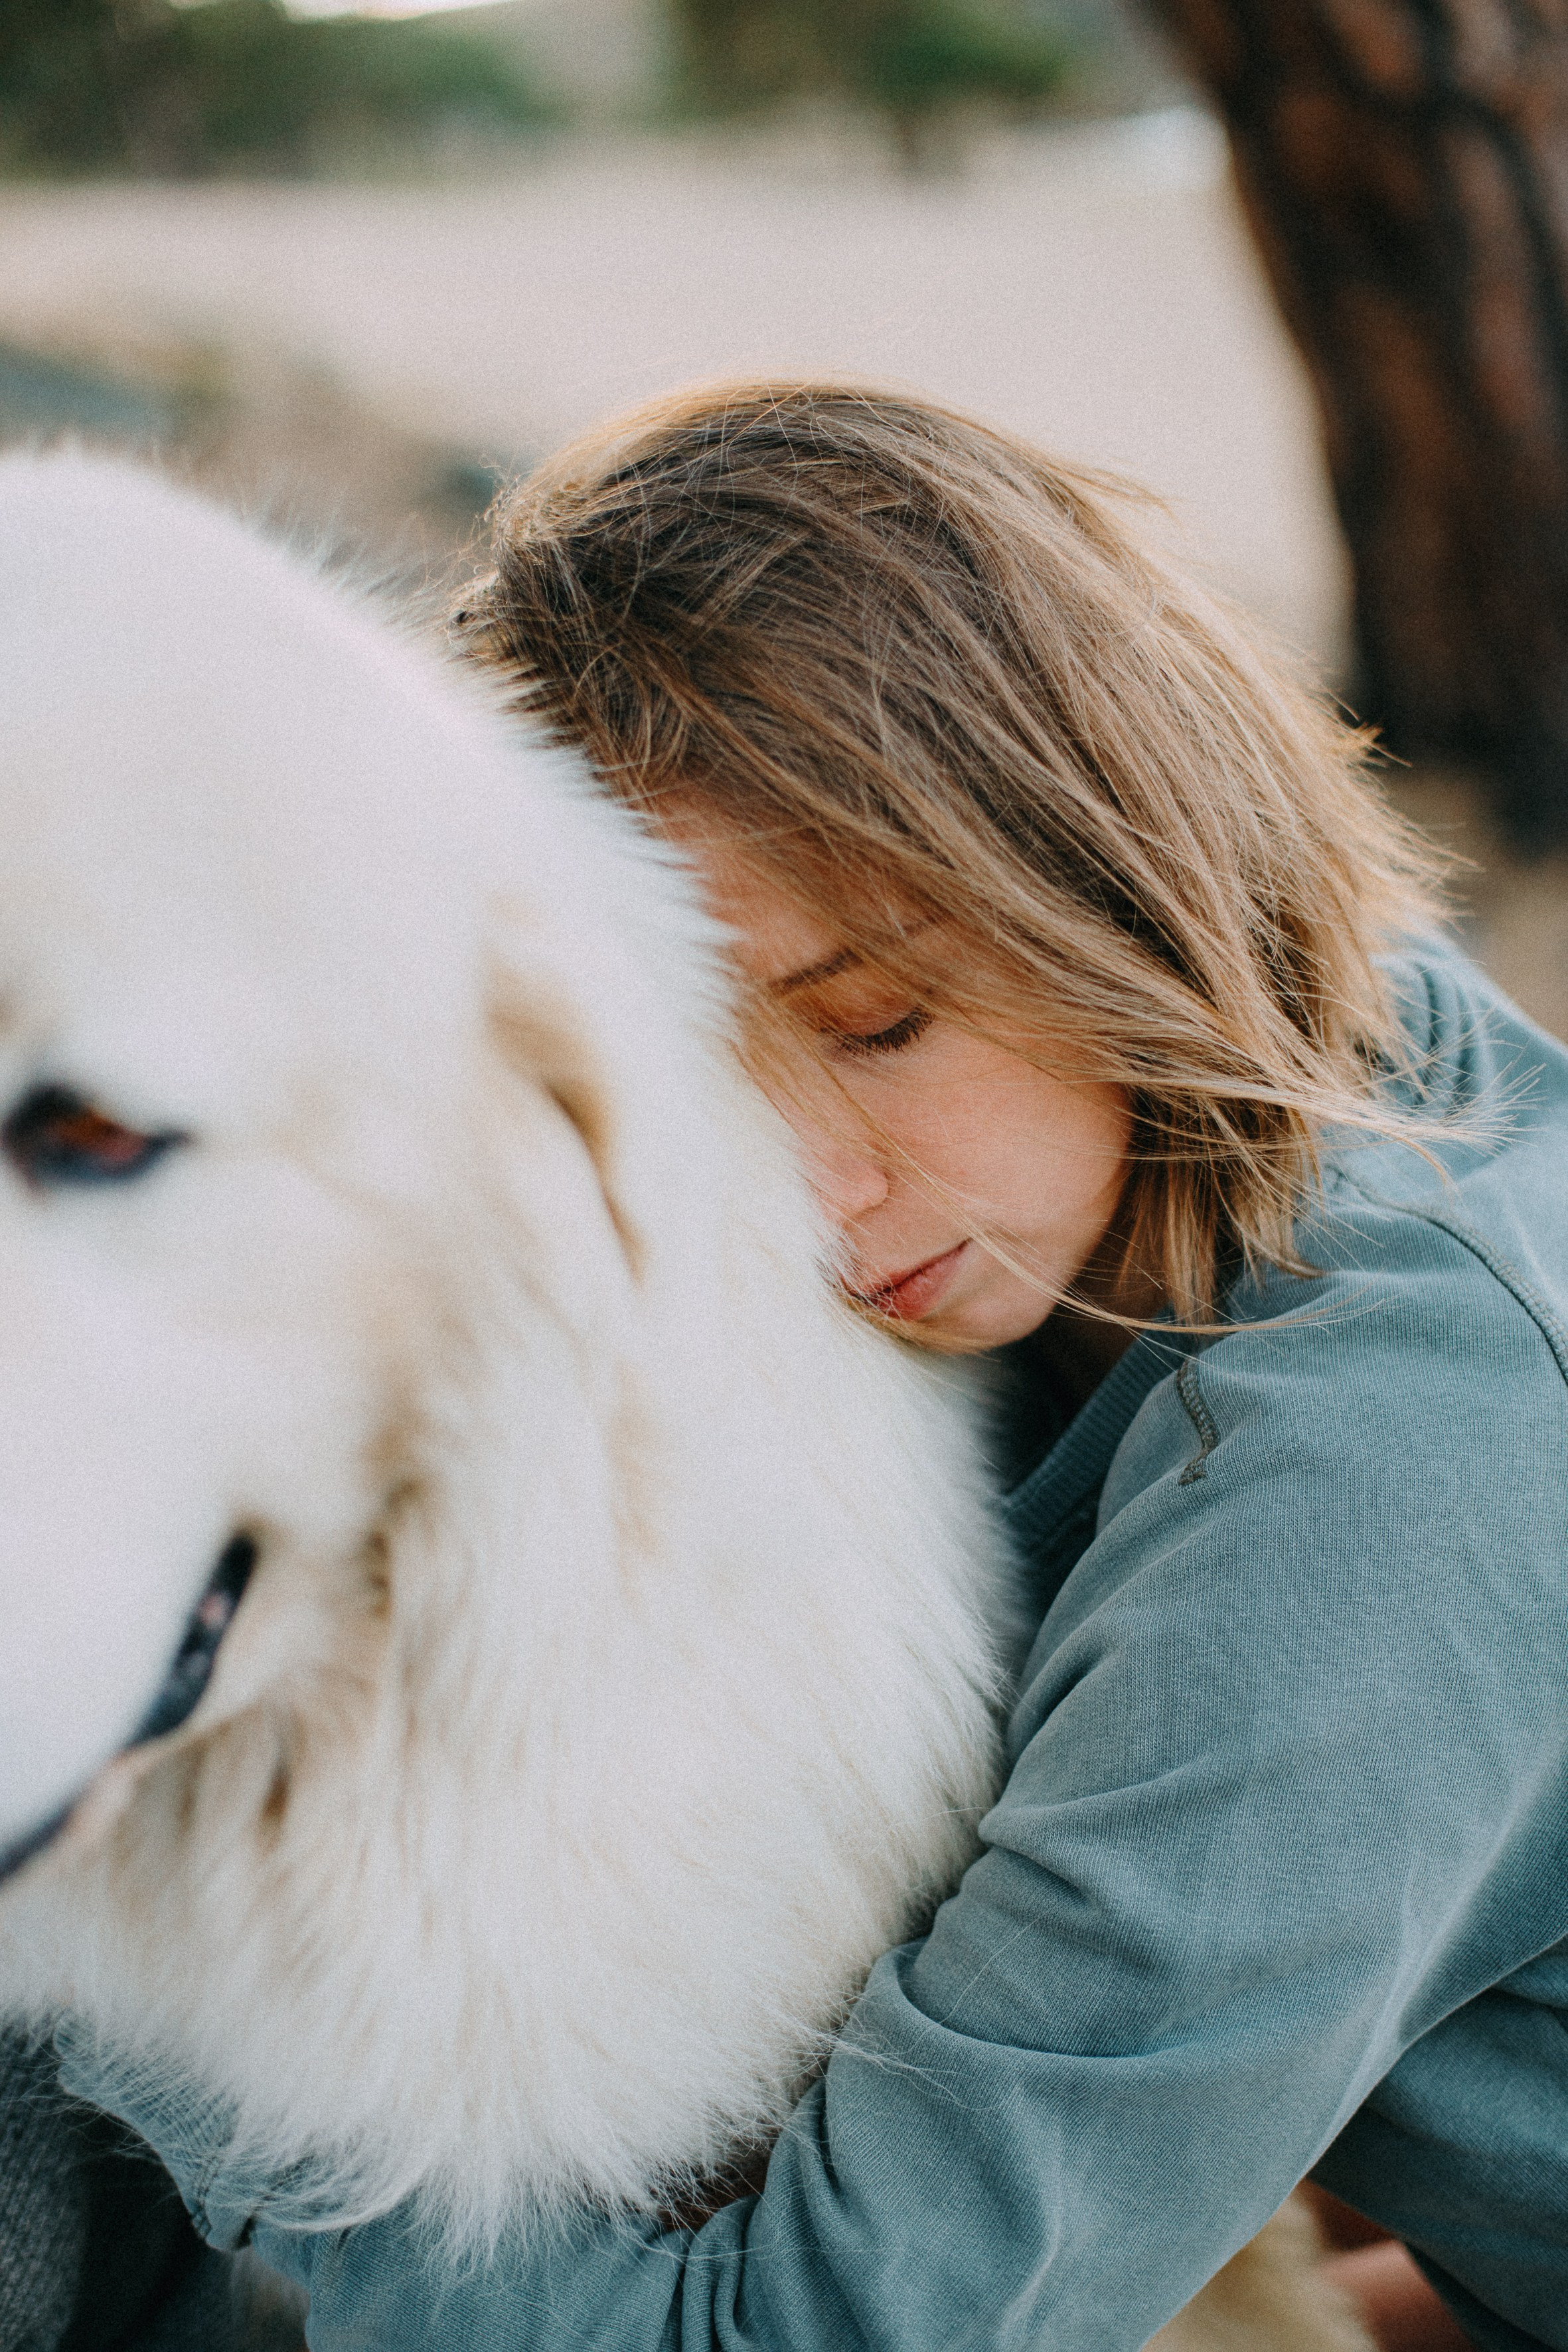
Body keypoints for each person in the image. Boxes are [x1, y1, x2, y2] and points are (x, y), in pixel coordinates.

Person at [60, 383, 1568, 2351]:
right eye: (711, 1084)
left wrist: (128, 1989)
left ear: (1130, 858)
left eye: (877, 1023)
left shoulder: (1380, 1479)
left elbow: (807, 2339)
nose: (821, 1205)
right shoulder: (1277, 1063)